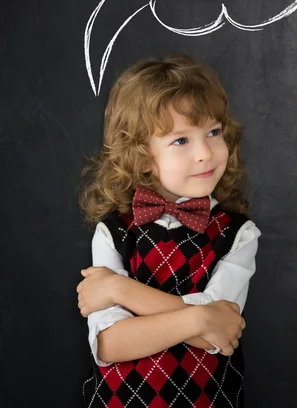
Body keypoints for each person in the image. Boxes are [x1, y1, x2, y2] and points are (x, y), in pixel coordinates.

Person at [77, 52, 261, 408]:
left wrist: (119, 288)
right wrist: (200, 317)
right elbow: (111, 343)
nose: (206, 153)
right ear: (141, 154)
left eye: (213, 132)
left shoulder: (238, 234)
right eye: (181, 140)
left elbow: (217, 337)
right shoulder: (112, 233)